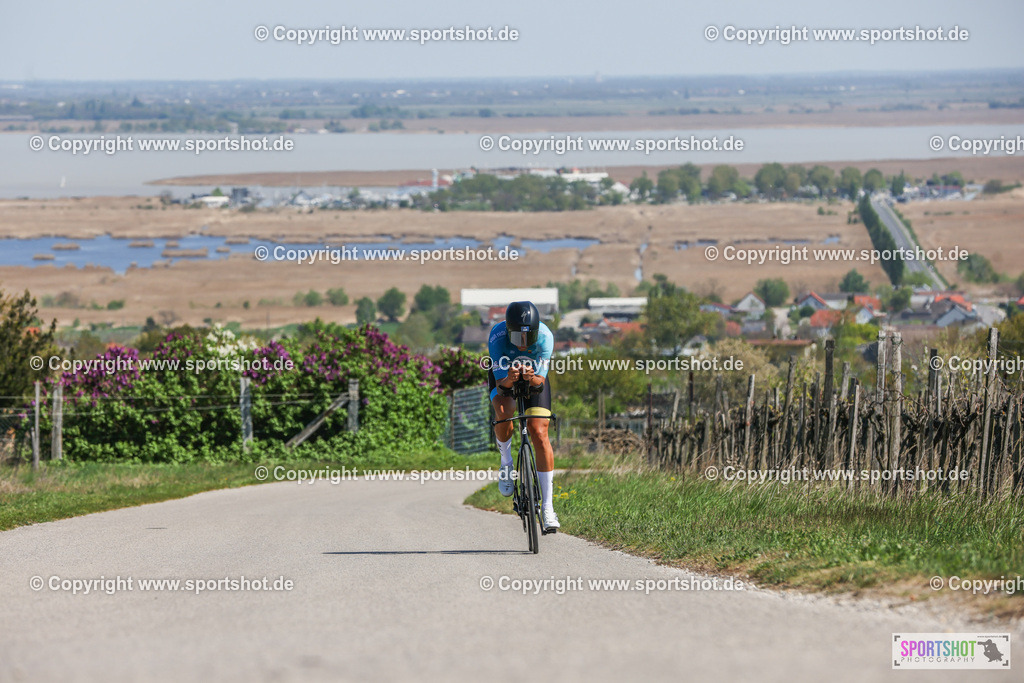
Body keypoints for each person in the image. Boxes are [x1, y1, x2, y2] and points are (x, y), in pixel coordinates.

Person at [487, 301, 558, 531]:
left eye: (529, 337)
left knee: (539, 431)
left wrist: (530, 377)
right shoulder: (497, 337)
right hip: (504, 378)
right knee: (504, 412)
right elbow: (501, 386)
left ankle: (548, 508)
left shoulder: (545, 337)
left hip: (534, 379)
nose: (524, 344)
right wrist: (510, 378)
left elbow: (540, 383)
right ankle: (506, 463)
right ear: (509, 332)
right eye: (518, 338)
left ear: (537, 331)